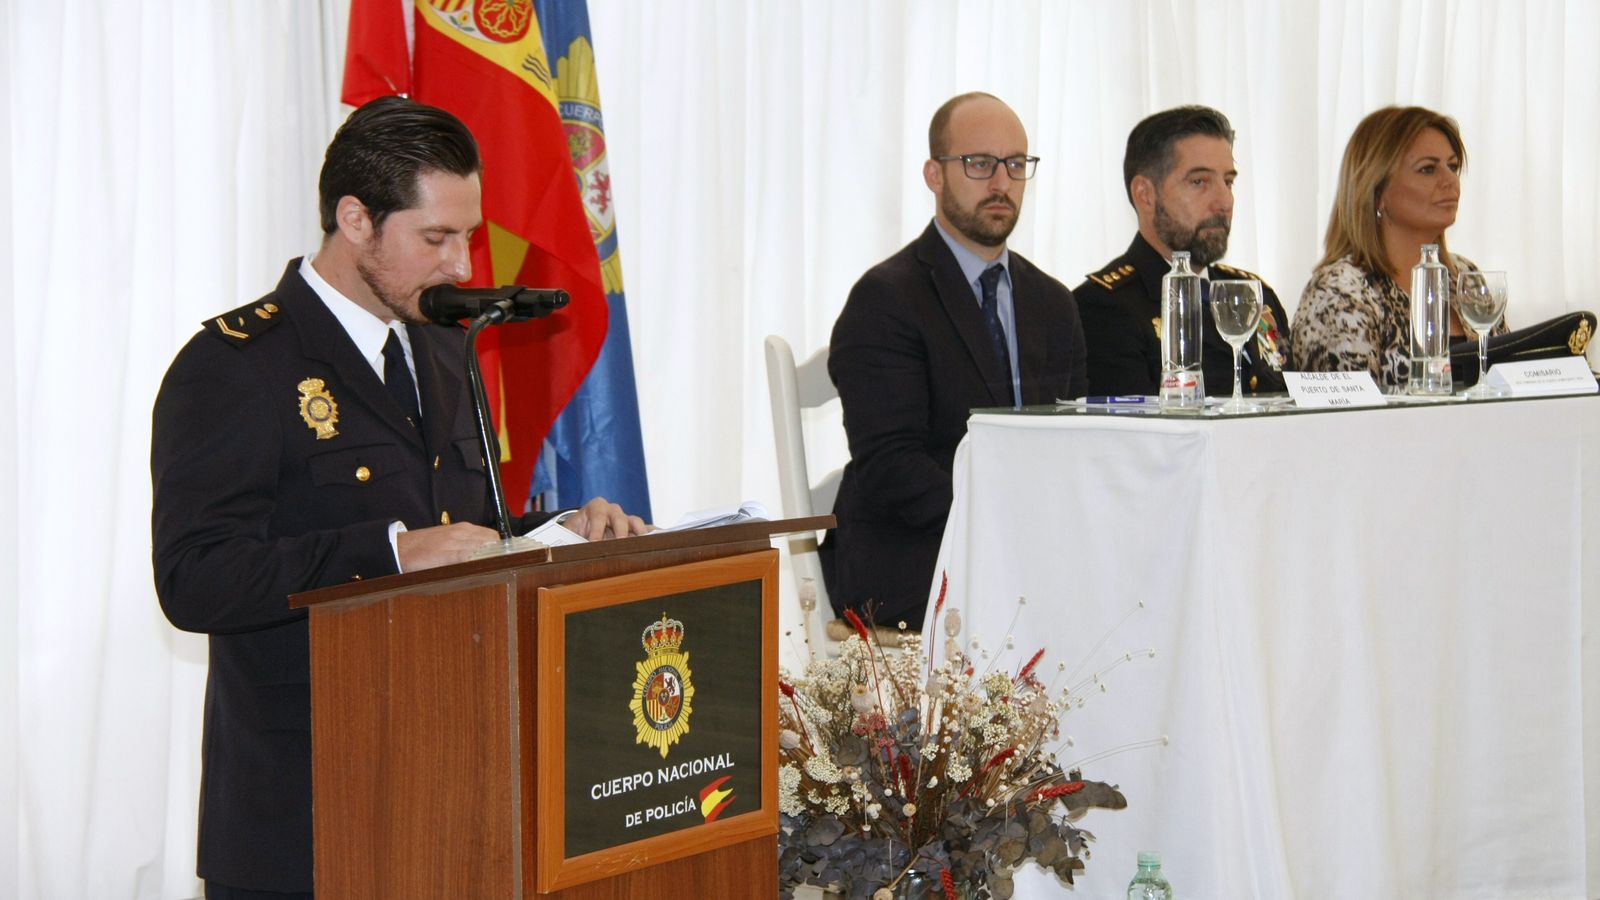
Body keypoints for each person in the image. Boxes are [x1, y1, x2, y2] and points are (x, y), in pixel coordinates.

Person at [150, 96, 647, 899]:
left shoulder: (442, 346)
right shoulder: (237, 364)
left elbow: (461, 529)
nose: (462, 268)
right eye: (436, 238)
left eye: (467, 237)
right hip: (308, 814)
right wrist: (384, 553)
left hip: (454, 797)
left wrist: (563, 527)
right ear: (355, 219)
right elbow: (194, 577)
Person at [825, 92, 1087, 628]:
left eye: (1016, 164)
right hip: (913, 555)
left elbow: (1076, 441)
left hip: (1027, 552)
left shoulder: (1054, 303)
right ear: (934, 174)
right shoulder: (885, 299)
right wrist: (1011, 524)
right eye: (979, 163)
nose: (1001, 182)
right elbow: (892, 468)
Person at [1074, 105, 1290, 397]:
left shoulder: (1254, 294)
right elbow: (1138, 425)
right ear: (1145, 195)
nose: (1225, 201)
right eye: (1199, 182)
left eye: (1228, 182)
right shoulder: (1105, 307)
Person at [1292, 105, 1504, 386]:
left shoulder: (1465, 277)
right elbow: (1349, 408)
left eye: (1452, 167)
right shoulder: (1339, 289)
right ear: (1377, 190)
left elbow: (1507, 382)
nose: (1450, 181)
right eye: (1428, 169)